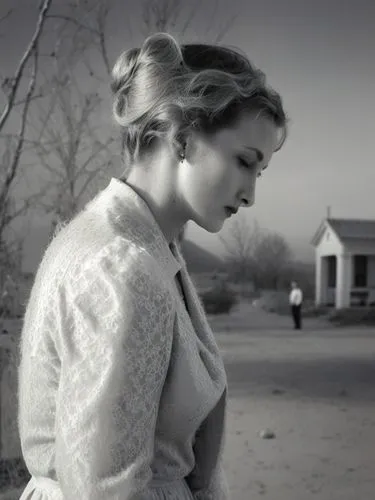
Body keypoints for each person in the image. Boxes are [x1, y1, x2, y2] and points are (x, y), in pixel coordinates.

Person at [17, 32, 287, 499]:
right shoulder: (122, 268)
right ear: (182, 137)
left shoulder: (135, 244)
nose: (250, 194)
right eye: (244, 161)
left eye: (258, 172)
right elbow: (105, 489)